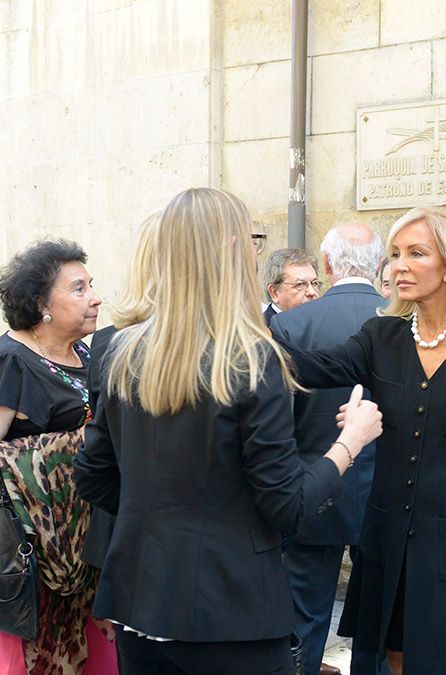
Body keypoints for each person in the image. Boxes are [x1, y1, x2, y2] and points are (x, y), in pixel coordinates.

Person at [74, 188, 383, 674]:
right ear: (234, 251)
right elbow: (287, 504)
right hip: (232, 611)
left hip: (140, 600)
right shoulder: (252, 359)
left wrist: (164, 516)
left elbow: (95, 477)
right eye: (254, 240)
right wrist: (350, 442)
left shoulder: (121, 352)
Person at [278, 207, 446, 674]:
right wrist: (238, 330)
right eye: (394, 255)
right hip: (388, 540)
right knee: (392, 660)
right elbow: (310, 368)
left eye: (416, 253)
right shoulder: (381, 335)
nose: (399, 266)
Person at [269, 223, 387, 675]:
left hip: (311, 484)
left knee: (306, 619)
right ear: (379, 265)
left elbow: (279, 416)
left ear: (327, 265)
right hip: (384, 490)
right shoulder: (398, 320)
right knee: (376, 619)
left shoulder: (289, 324)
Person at [0, 240, 115, 675]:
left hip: (87, 551)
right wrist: (71, 445)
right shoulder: (9, 360)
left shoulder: (90, 353)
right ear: (40, 304)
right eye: (80, 289)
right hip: (33, 558)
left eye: (92, 286)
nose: (95, 298)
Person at [263, 248, 322, 323]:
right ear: (274, 292)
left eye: (314, 283)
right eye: (300, 284)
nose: (312, 292)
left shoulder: (319, 325)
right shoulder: (261, 330)